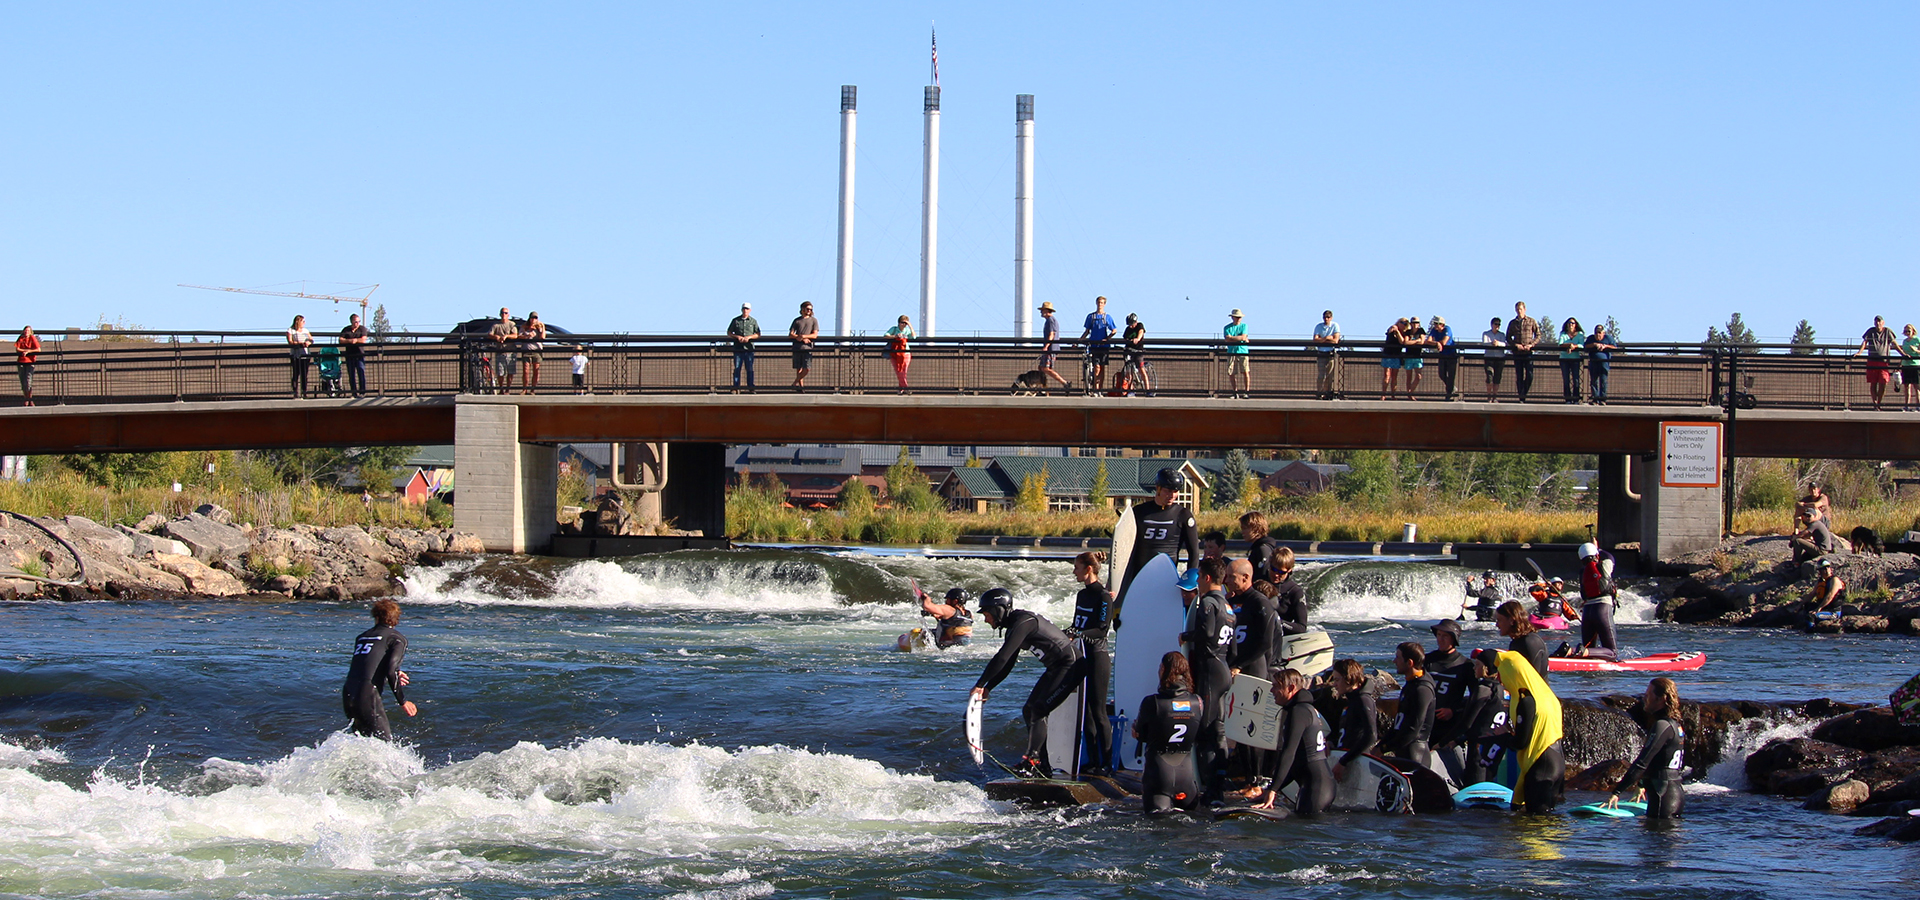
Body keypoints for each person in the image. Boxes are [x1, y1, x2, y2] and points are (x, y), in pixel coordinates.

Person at [971, 588, 1083, 776]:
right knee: (1029, 709)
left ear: (998, 610)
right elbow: (1008, 664)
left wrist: (980, 684)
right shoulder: (1014, 626)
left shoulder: (1023, 622)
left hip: (1071, 666)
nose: (986, 619)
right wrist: (988, 687)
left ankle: (1031, 762)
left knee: (1039, 709)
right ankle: (1043, 765)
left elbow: (1002, 657)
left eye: (987, 614)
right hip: (1056, 668)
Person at [1486, 648, 1565, 814]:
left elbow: (1520, 743)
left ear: (1512, 674)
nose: (1501, 681)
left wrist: (1503, 735)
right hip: (1556, 762)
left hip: (1540, 767)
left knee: (1532, 828)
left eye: (1502, 675)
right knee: (1548, 826)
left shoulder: (1527, 701)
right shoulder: (1546, 695)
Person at [1183, 556, 1236, 800]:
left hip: (1210, 670)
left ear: (1205, 578)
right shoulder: (1228, 606)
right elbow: (1233, 648)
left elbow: (1207, 632)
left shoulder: (1207, 603)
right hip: (1224, 667)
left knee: (1206, 729)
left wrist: (1186, 636)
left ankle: (1211, 788)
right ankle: (1219, 781)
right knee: (1219, 728)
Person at [1253, 669, 1336, 816]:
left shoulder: (1298, 711)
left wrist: (1273, 790)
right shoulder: (1301, 708)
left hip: (1317, 787)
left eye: (1276, 686)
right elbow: (1296, 761)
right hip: (1317, 784)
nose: (1271, 690)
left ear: (1290, 688)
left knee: (1305, 830)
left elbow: (1288, 753)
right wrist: (1273, 788)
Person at [1227, 558, 1277, 795]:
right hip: (1235, 668)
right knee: (1237, 727)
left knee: (1251, 727)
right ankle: (1247, 779)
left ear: (1245, 578)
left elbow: (1265, 643)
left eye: (1231, 576)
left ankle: (1257, 782)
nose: (1227, 580)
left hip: (1254, 669)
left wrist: (1240, 664)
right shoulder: (1230, 601)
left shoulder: (1260, 602)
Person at [1132, 651, 1202, 816]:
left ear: (1163, 669)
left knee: (1159, 830)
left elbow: (1140, 735)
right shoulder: (1197, 702)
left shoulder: (1152, 702)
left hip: (1159, 777)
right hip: (1187, 778)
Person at [1606, 677, 1687, 819]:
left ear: (1661, 699)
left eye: (1648, 695)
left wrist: (1617, 792)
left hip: (1664, 797)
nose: (1644, 698)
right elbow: (1661, 760)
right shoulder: (1674, 725)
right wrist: (1642, 783)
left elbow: (1643, 761)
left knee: (1655, 838)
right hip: (1672, 792)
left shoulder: (1661, 725)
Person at [1117, 468, 1201, 603]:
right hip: (1139, 577)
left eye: (1175, 491)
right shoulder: (1138, 512)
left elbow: (1194, 552)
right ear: (1158, 488)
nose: (1172, 495)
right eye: (1168, 491)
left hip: (1168, 578)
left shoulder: (1183, 515)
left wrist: (1190, 583)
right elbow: (1123, 547)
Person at [342, 598, 418, 741]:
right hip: (367, 694)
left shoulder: (362, 637)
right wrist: (403, 701)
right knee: (384, 743)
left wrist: (392, 671)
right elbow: (391, 670)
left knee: (363, 742)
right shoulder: (396, 638)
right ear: (396, 619)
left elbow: (365, 663)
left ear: (376, 617)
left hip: (349, 692)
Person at [1067, 551, 1115, 773]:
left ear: (1088, 569)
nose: (1074, 571)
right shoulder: (1081, 595)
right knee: (1085, 712)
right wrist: (1070, 632)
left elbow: (1102, 630)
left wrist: (1078, 634)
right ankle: (1092, 760)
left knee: (1098, 711)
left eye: (1077, 567)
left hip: (1098, 656)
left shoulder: (1103, 597)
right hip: (1081, 656)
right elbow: (1076, 622)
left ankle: (1106, 762)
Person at [1426, 620, 1475, 784]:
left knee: (1453, 772)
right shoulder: (1428, 660)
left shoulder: (1465, 665)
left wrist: (1453, 710)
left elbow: (1475, 699)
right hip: (1426, 724)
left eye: (1445, 636)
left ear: (1454, 639)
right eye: (1438, 635)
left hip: (1448, 726)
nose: (1440, 639)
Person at [1458, 650, 1511, 787]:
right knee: (1491, 783)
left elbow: (1466, 723)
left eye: (1477, 665)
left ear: (1486, 668)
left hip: (1480, 746)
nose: (1474, 668)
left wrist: (1446, 742)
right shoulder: (1505, 689)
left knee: (1476, 786)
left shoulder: (1483, 688)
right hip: (1498, 746)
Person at [1381, 641, 1437, 772]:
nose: (1394, 661)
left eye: (1398, 657)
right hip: (1404, 750)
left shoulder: (1422, 689)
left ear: (1410, 663)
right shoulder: (1411, 684)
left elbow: (1413, 729)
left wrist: (1385, 748)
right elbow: (1398, 724)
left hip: (1415, 753)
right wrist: (1382, 744)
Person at [1331, 658, 1380, 778]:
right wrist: (1330, 741)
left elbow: (1371, 736)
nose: (1334, 684)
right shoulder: (1350, 700)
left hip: (1356, 761)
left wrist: (1344, 761)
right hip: (1346, 759)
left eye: (1337, 680)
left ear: (1348, 678)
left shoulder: (1363, 700)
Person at [1576, 542, 1618, 655]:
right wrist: (1598, 548)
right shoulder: (1604, 566)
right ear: (1597, 555)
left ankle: (1572, 651)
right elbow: (1610, 557)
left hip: (1587, 611)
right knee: (1612, 652)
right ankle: (1583, 651)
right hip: (1602, 609)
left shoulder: (1582, 572)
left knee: (1588, 650)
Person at [1495, 600, 1550, 683]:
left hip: (1538, 694)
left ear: (1511, 620)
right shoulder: (1516, 643)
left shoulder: (1530, 642)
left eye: (1499, 620)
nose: (1497, 625)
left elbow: (1534, 679)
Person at [1855, 315, 1900, 410]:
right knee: (1873, 382)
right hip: (1872, 360)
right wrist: (1860, 352)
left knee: (1883, 382)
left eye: (1879, 321)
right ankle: (1875, 402)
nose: (1877, 323)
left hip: (1884, 361)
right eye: (1876, 321)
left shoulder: (1888, 331)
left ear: (1883, 322)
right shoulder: (1871, 331)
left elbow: (1894, 344)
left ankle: (1878, 402)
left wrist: (1902, 353)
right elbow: (1864, 342)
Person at [1268, 546, 1308, 639]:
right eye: (1273, 569)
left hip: (1280, 639)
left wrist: (1278, 622)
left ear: (1289, 570)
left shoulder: (1295, 591)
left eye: (1281, 572)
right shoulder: (1260, 582)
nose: (1276, 574)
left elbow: (1301, 627)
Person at [1081, 296, 1117, 393]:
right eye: (1098, 302)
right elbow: (1087, 331)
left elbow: (1114, 330)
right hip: (1093, 345)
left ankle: (1099, 389)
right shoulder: (1091, 317)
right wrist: (1080, 340)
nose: (1100, 304)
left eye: (1102, 303)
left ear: (1104, 304)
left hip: (1103, 346)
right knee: (1096, 367)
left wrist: (1107, 339)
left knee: (1102, 367)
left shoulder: (1107, 317)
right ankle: (1095, 389)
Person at [1506, 302, 1540, 402]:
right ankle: (1521, 397)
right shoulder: (1513, 323)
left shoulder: (1531, 321)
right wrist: (1515, 345)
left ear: (1524, 309)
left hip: (1528, 353)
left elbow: (1538, 335)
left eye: (1520, 309)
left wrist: (1531, 345)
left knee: (1530, 375)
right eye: (1517, 310)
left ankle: (1524, 392)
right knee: (1519, 375)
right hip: (1517, 353)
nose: (1519, 311)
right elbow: (1508, 337)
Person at [1036, 301, 1070, 390]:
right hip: (1050, 348)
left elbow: (1052, 334)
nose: (1041, 312)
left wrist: (1046, 346)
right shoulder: (1049, 321)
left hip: (1051, 349)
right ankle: (1042, 387)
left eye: (1042, 310)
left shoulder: (1051, 321)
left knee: (1046, 368)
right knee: (1041, 368)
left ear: (1047, 311)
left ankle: (1064, 383)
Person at [727, 303, 760, 391]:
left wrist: (749, 337)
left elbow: (758, 334)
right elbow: (729, 332)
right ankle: (736, 387)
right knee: (737, 368)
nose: (745, 310)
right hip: (738, 348)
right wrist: (737, 337)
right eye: (744, 309)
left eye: (747, 309)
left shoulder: (753, 321)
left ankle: (751, 387)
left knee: (749, 368)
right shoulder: (736, 320)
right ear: (741, 310)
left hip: (749, 348)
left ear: (750, 310)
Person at [1240, 511, 1280, 583]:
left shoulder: (1262, 549)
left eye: (1245, 528)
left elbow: (1263, 577)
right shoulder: (1257, 548)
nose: (1242, 532)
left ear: (1256, 529)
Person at [1585, 323, 1619, 405]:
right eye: (1596, 333)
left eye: (1600, 333)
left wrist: (1605, 346)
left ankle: (1602, 399)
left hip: (1604, 363)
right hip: (1593, 362)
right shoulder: (1591, 338)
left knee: (1603, 381)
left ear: (1603, 333)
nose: (1598, 334)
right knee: (1593, 381)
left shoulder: (1608, 338)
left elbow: (1615, 347)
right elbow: (1585, 346)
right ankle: (1595, 399)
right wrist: (1594, 344)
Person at [788, 301, 819, 390]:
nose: (809, 311)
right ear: (802, 309)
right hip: (797, 347)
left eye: (810, 309)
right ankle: (800, 386)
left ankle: (795, 383)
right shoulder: (797, 320)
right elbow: (791, 334)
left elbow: (815, 335)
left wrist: (804, 336)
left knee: (807, 368)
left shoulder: (814, 320)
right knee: (799, 368)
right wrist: (799, 337)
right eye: (807, 309)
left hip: (808, 347)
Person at [1313, 309, 1342, 399]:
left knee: (1330, 375)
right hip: (1321, 353)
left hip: (1331, 354)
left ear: (1331, 318)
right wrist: (1327, 338)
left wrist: (1323, 339)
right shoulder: (1318, 326)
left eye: (1328, 317)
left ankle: (1327, 393)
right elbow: (1315, 340)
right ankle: (1319, 393)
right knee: (1321, 375)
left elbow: (1335, 340)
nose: (1326, 319)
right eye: (1325, 317)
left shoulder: (1335, 326)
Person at [338, 313, 369, 397]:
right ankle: (354, 392)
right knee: (351, 374)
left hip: (359, 355)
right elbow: (341, 340)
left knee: (361, 372)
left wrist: (356, 340)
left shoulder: (362, 329)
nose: (357, 323)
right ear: (351, 322)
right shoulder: (346, 329)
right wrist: (350, 341)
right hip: (349, 355)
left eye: (358, 321)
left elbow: (363, 340)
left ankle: (362, 391)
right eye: (355, 322)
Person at [488, 308, 519, 393]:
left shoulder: (512, 324)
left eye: (506, 313)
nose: (504, 314)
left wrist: (506, 336)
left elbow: (515, 335)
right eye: (502, 313)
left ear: (508, 315)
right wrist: (496, 337)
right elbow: (489, 334)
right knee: (500, 372)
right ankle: (501, 388)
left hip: (510, 352)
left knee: (510, 372)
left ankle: (507, 389)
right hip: (500, 351)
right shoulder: (496, 325)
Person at [1557, 317, 1586, 404]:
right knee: (1566, 380)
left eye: (1573, 323)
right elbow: (1560, 344)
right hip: (1564, 359)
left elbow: (1581, 345)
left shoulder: (1580, 334)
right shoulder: (1563, 334)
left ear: (1576, 325)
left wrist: (1574, 346)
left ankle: (1576, 398)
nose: (1571, 324)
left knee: (1576, 379)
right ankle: (1568, 399)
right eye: (1569, 323)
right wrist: (1569, 345)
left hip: (1575, 360)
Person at [1223, 308, 1251, 397]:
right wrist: (1240, 338)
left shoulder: (1244, 326)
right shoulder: (1227, 327)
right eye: (1236, 317)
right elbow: (1228, 339)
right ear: (1232, 317)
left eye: (1239, 317)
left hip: (1243, 351)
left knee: (1245, 371)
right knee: (1231, 372)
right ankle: (1235, 392)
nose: (1238, 319)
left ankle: (1246, 392)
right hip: (1231, 351)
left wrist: (1233, 338)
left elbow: (1242, 337)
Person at [1401, 314, 1430, 397]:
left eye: (1417, 322)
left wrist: (1413, 342)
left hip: (1417, 356)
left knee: (1418, 376)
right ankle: (1409, 394)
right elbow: (1406, 342)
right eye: (1413, 322)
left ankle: (1410, 392)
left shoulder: (1421, 331)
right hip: (1409, 356)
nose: (1415, 324)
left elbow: (1422, 342)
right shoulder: (1408, 332)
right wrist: (1416, 341)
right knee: (1409, 376)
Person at [1431, 315, 1459, 400]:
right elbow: (1428, 340)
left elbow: (1444, 341)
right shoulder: (1434, 330)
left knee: (1451, 375)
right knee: (1441, 374)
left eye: (1437, 324)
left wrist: (1438, 343)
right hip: (1442, 355)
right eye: (1434, 323)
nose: (1435, 325)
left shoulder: (1447, 329)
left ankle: (1449, 393)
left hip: (1451, 355)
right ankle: (1451, 388)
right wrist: (1436, 343)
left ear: (1442, 325)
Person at [885, 315, 915, 393]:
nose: (904, 325)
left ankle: (901, 388)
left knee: (903, 371)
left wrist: (910, 326)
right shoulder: (894, 329)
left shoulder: (907, 330)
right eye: (902, 323)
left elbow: (914, 337)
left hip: (905, 353)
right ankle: (906, 388)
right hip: (895, 353)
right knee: (898, 371)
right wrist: (895, 336)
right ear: (899, 323)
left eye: (906, 323)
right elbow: (886, 335)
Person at [1120, 313, 1150, 393]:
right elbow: (1125, 338)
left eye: (1132, 324)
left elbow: (1141, 332)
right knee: (1129, 371)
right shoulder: (1127, 329)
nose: (1130, 326)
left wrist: (1137, 338)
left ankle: (1148, 390)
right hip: (1129, 351)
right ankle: (1131, 390)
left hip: (1138, 350)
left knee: (1141, 369)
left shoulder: (1139, 325)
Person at [286, 315, 314, 398]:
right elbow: (290, 341)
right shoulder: (291, 330)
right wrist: (299, 344)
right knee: (296, 373)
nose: (304, 323)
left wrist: (308, 342)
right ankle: (295, 391)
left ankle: (304, 391)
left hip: (305, 355)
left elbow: (311, 339)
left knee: (304, 374)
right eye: (303, 321)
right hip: (296, 355)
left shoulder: (305, 330)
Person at [1481, 316, 1507, 403]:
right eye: (1496, 324)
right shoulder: (1486, 334)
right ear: (1492, 324)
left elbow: (1504, 344)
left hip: (1500, 358)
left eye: (1499, 324)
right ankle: (1489, 396)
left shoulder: (1502, 335)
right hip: (1489, 358)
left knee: (1497, 378)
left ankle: (1494, 396)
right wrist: (1492, 344)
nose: (1497, 326)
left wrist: (1498, 343)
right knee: (1489, 376)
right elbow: (1484, 344)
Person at [520, 311, 548, 394]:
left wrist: (542, 327)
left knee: (536, 370)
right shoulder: (524, 326)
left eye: (535, 318)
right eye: (532, 318)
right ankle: (524, 388)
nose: (534, 320)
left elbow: (543, 337)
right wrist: (527, 336)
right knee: (526, 370)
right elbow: (519, 336)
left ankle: (533, 389)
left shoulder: (539, 327)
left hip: (536, 350)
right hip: (526, 350)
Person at [1380, 317, 1406, 400]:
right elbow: (1388, 333)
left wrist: (1398, 332)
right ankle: (1383, 394)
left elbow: (1402, 341)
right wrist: (1393, 329)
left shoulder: (1404, 333)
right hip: (1388, 354)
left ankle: (1393, 395)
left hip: (1396, 355)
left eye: (1405, 323)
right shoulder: (1392, 328)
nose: (1403, 324)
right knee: (1387, 375)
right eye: (1401, 322)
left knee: (1394, 376)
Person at [14, 325, 41, 406]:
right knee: (23, 382)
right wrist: (24, 351)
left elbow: (38, 349)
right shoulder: (21, 338)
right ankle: (26, 398)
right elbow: (17, 349)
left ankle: (29, 399)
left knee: (28, 382)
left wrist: (28, 352)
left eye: (28, 331)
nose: (26, 332)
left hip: (30, 362)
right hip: (21, 362)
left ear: (30, 332)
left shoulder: (32, 338)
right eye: (25, 331)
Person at [1903, 324, 1920, 412]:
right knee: (1906, 386)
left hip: (1915, 364)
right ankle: (1907, 406)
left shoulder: (1917, 340)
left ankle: (1918, 405)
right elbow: (1903, 353)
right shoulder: (1904, 341)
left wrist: (1915, 350)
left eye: (1909, 331)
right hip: (1905, 365)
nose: (1907, 333)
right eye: (1905, 331)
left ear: (1913, 331)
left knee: (1916, 386)